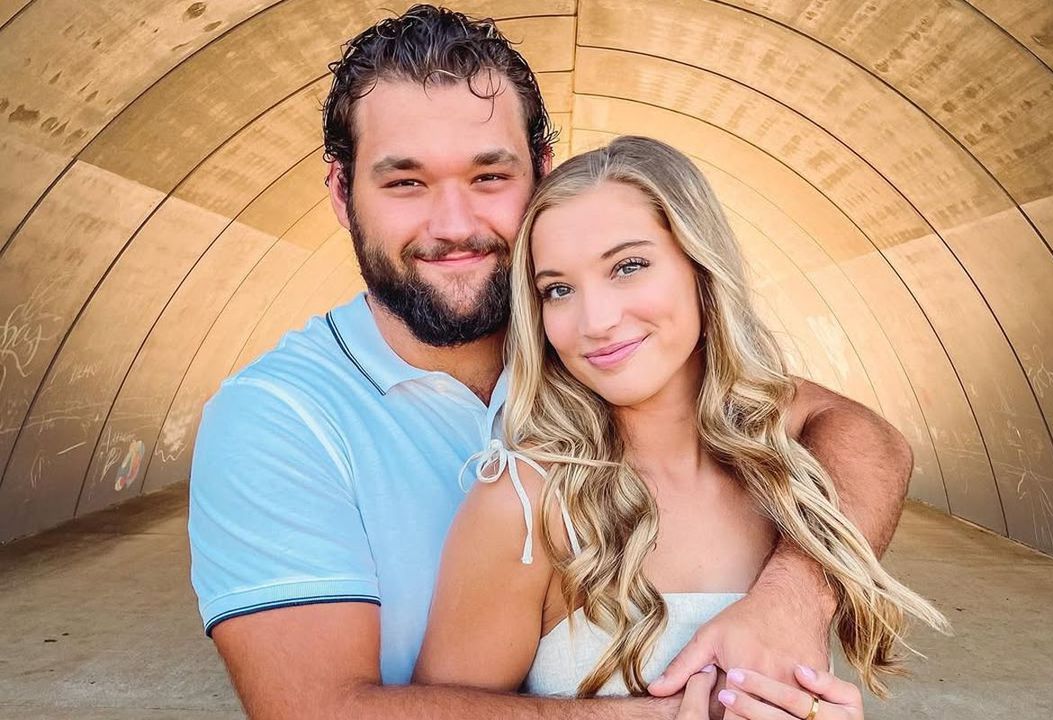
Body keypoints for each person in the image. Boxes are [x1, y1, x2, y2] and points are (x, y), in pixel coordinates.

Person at [188, 6, 920, 718]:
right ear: (343, 193)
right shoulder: (277, 420)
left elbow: (865, 437)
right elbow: (314, 710)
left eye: (489, 176)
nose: (454, 225)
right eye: (405, 182)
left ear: (542, 174)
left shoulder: (615, 366)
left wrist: (794, 601)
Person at [413, 136, 949, 718]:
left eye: (628, 267)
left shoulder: (791, 476)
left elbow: (875, 439)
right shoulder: (525, 503)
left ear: (701, 267)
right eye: (558, 289)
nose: (596, 320)